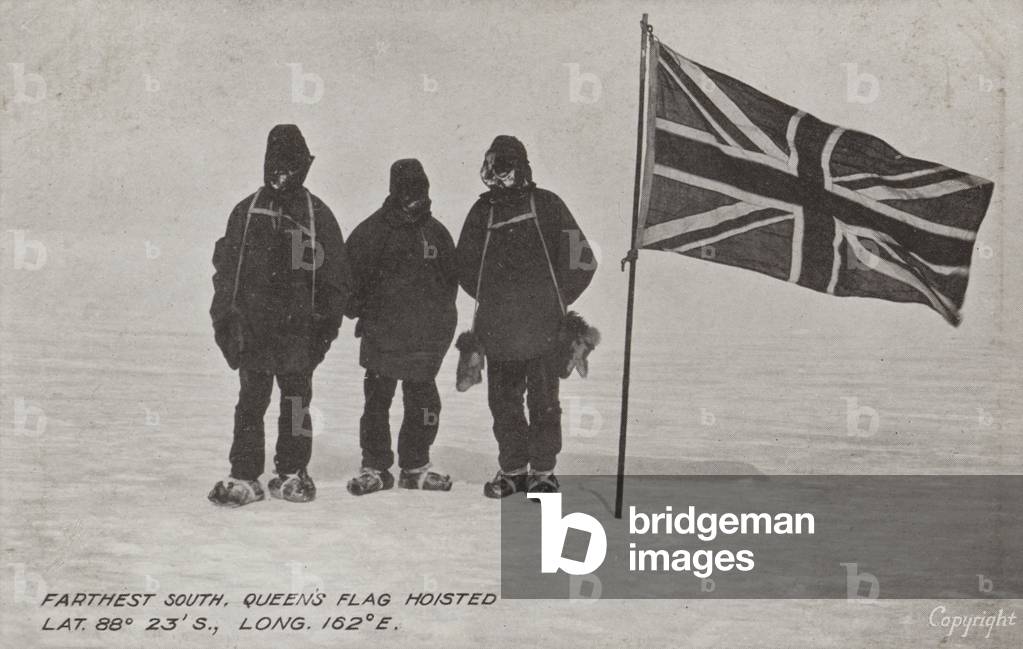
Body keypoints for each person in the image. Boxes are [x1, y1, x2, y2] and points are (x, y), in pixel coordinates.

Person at [208, 124, 351, 507]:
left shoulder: (317, 215)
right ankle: (244, 475)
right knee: (251, 404)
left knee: (297, 405)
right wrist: (226, 325)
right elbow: (225, 275)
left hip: (299, 338)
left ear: (303, 166)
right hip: (253, 334)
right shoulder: (247, 211)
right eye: (276, 164)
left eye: (290, 165)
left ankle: (292, 471)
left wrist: (323, 333)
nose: (282, 173)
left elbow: (336, 280)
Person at [456, 136, 597, 498]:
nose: (498, 175)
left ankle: (543, 473)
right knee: (503, 405)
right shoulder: (481, 213)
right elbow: (465, 269)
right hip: (497, 331)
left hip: (545, 332)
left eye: (505, 167)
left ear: (521, 167)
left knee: (544, 404)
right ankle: (513, 472)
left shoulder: (547, 206)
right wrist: (494, 300)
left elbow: (583, 261)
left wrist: (554, 299)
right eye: (493, 166)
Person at [344, 159, 458, 495]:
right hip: (381, 339)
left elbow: (449, 284)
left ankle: (415, 466)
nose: (414, 197)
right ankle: (375, 467)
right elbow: (348, 281)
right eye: (407, 190)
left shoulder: (436, 233)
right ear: (395, 190)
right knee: (377, 404)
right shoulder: (371, 231)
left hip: (424, 342)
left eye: (420, 189)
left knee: (425, 407)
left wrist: (439, 327)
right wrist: (365, 314)